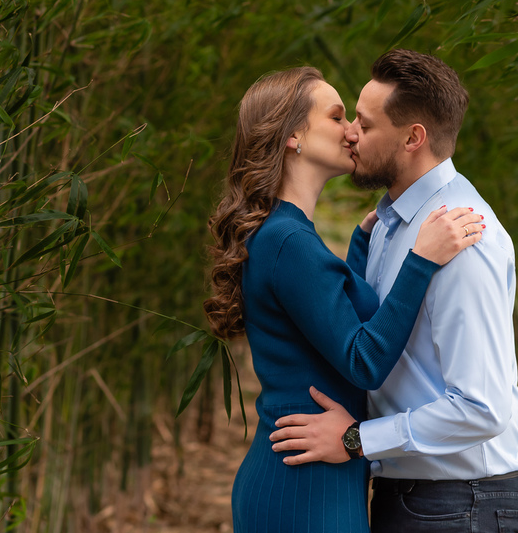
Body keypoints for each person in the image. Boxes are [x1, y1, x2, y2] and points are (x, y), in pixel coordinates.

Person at [205, 65, 485, 533]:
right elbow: (361, 359)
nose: (352, 132)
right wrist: (421, 261)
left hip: (313, 474)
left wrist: (359, 247)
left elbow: (327, 326)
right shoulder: (288, 241)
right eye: (337, 117)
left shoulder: (287, 235)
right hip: (303, 489)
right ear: (294, 136)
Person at [268, 50, 518, 533]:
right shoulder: (390, 226)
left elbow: (483, 408)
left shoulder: (460, 236)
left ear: (413, 138)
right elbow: (363, 335)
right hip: (411, 496)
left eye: (365, 126)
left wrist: (356, 440)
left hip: (458, 504)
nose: (352, 133)